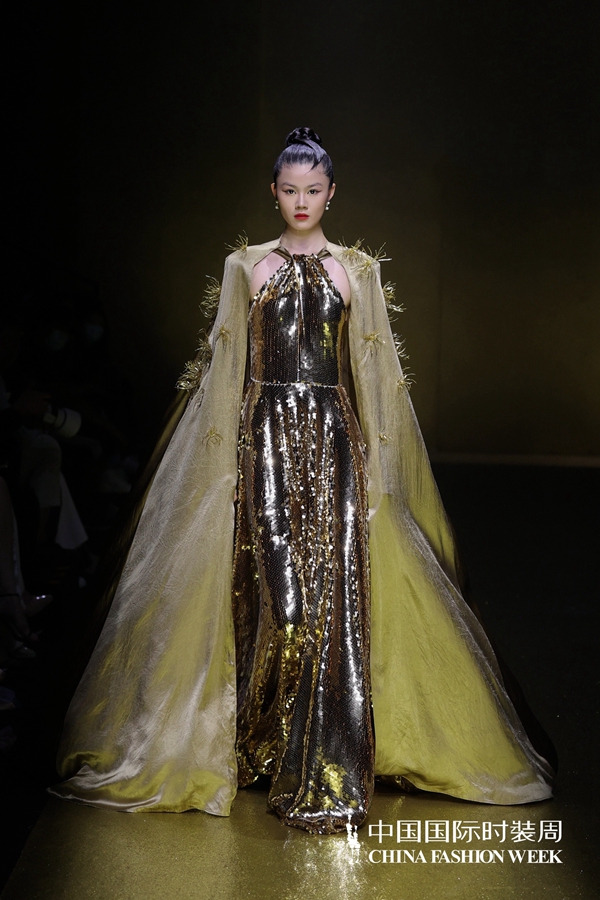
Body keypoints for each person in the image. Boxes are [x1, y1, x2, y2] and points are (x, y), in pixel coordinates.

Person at [50, 128, 554, 834]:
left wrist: (379, 471)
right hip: (262, 441)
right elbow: (222, 371)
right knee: (274, 592)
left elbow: (375, 376)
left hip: (336, 441)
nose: (301, 201)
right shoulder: (245, 267)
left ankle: (321, 755)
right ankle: (259, 741)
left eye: (313, 190)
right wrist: (218, 466)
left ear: (332, 193)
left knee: (333, 595)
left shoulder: (357, 272)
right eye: (289, 189)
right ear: (273, 191)